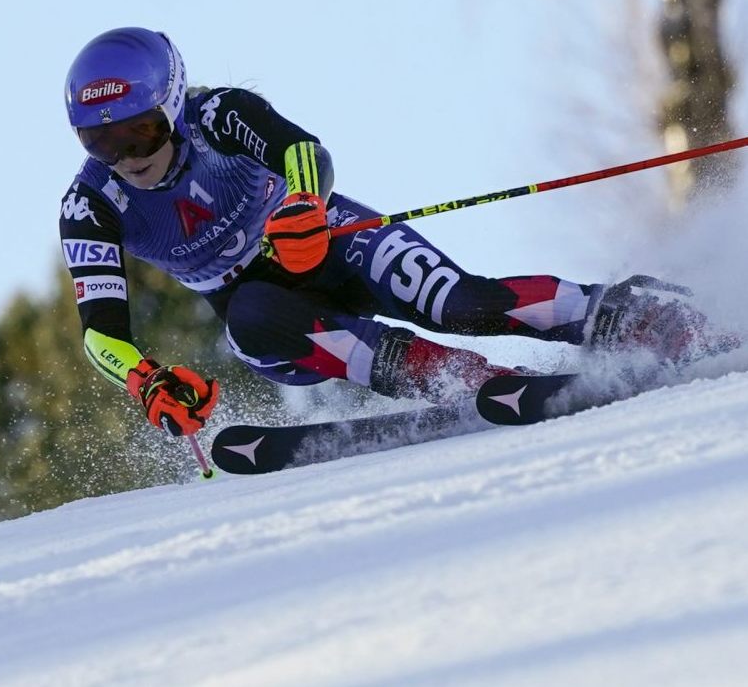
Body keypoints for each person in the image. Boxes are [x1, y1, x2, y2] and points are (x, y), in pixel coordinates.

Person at [59, 27, 715, 438]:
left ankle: (632, 313)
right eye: (100, 140)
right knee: (251, 317)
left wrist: (307, 207)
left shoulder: (218, 115)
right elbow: (102, 334)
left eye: (138, 130)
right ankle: (466, 380)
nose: (126, 154)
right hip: (267, 314)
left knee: (458, 301)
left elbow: (303, 152)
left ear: (171, 104)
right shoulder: (90, 204)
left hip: (324, 238)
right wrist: (147, 380)